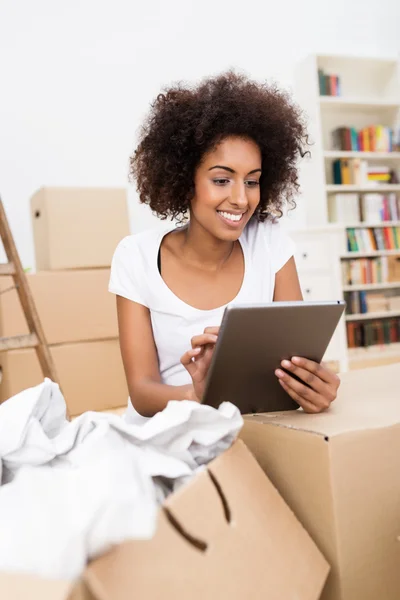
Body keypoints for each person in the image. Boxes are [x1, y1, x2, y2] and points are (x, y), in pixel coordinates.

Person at [109, 71, 340, 423]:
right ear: (186, 180)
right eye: (221, 180)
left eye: (252, 182)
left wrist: (312, 386)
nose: (240, 199)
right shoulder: (136, 256)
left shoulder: (270, 244)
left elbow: (292, 364)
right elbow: (142, 391)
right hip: (162, 434)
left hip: (250, 431)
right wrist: (197, 396)